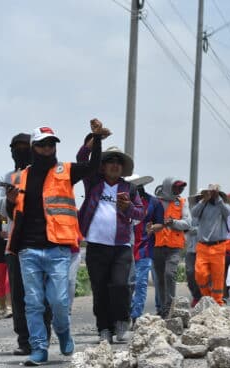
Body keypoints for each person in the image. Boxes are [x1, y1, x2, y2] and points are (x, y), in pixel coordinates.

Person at [5, 123, 104, 365]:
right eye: (42, 144)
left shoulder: (66, 170)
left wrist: (98, 140)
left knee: (59, 301)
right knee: (33, 302)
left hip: (58, 248)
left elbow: (93, 167)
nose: (48, 148)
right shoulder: (20, 177)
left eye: (51, 144)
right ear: (34, 147)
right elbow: (14, 212)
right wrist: (9, 201)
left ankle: (63, 332)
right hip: (28, 250)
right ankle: (39, 348)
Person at [78, 126, 145, 343]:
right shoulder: (93, 183)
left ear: (122, 167)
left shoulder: (130, 189)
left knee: (119, 285)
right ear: (103, 166)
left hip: (121, 247)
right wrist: (95, 138)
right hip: (96, 246)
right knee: (100, 289)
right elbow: (81, 157)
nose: (115, 165)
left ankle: (122, 320)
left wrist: (127, 208)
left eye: (118, 162)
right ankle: (103, 329)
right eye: (110, 161)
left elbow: (140, 214)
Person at [0, 132, 52, 356]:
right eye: (16, 147)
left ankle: (42, 338)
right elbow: (0, 205)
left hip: (43, 243)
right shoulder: (6, 177)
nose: (20, 150)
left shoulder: (46, 174)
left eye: (24, 146)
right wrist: (9, 200)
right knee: (19, 296)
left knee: (42, 295)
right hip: (16, 246)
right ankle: (25, 340)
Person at [148, 177, 191, 318]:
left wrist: (173, 223)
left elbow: (187, 223)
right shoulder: (156, 202)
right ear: (168, 187)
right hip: (157, 245)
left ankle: (170, 307)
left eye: (181, 188)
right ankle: (162, 308)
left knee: (169, 274)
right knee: (159, 279)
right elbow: (148, 219)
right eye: (176, 187)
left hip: (174, 246)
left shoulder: (182, 202)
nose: (179, 190)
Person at [126, 175, 164, 324]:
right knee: (126, 283)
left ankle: (136, 315)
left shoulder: (154, 202)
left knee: (141, 283)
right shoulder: (122, 201)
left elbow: (160, 224)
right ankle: (126, 311)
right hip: (125, 248)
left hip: (145, 248)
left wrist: (153, 228)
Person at [192, 184, 230, 305]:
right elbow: (194, 213)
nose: (212, 194)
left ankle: (218, 302)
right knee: (200, 274)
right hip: (203, 246)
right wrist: (204, 199)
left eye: (214, 193)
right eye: (210, 192)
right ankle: (208, 297)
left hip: (218, 246)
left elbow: (228, 212)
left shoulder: (222, 205)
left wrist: (218, 197)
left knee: (217, 277)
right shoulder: (202, 205)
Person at [184, 193, 203, 308]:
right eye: (198, 198)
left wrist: (195, 229)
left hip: (204, 249)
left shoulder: (209, 213)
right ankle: (196, 295)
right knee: (190, 273)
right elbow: (186, 226)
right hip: (191, 249)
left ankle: (203, 297)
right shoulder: (190, 213)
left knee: (203, 275)